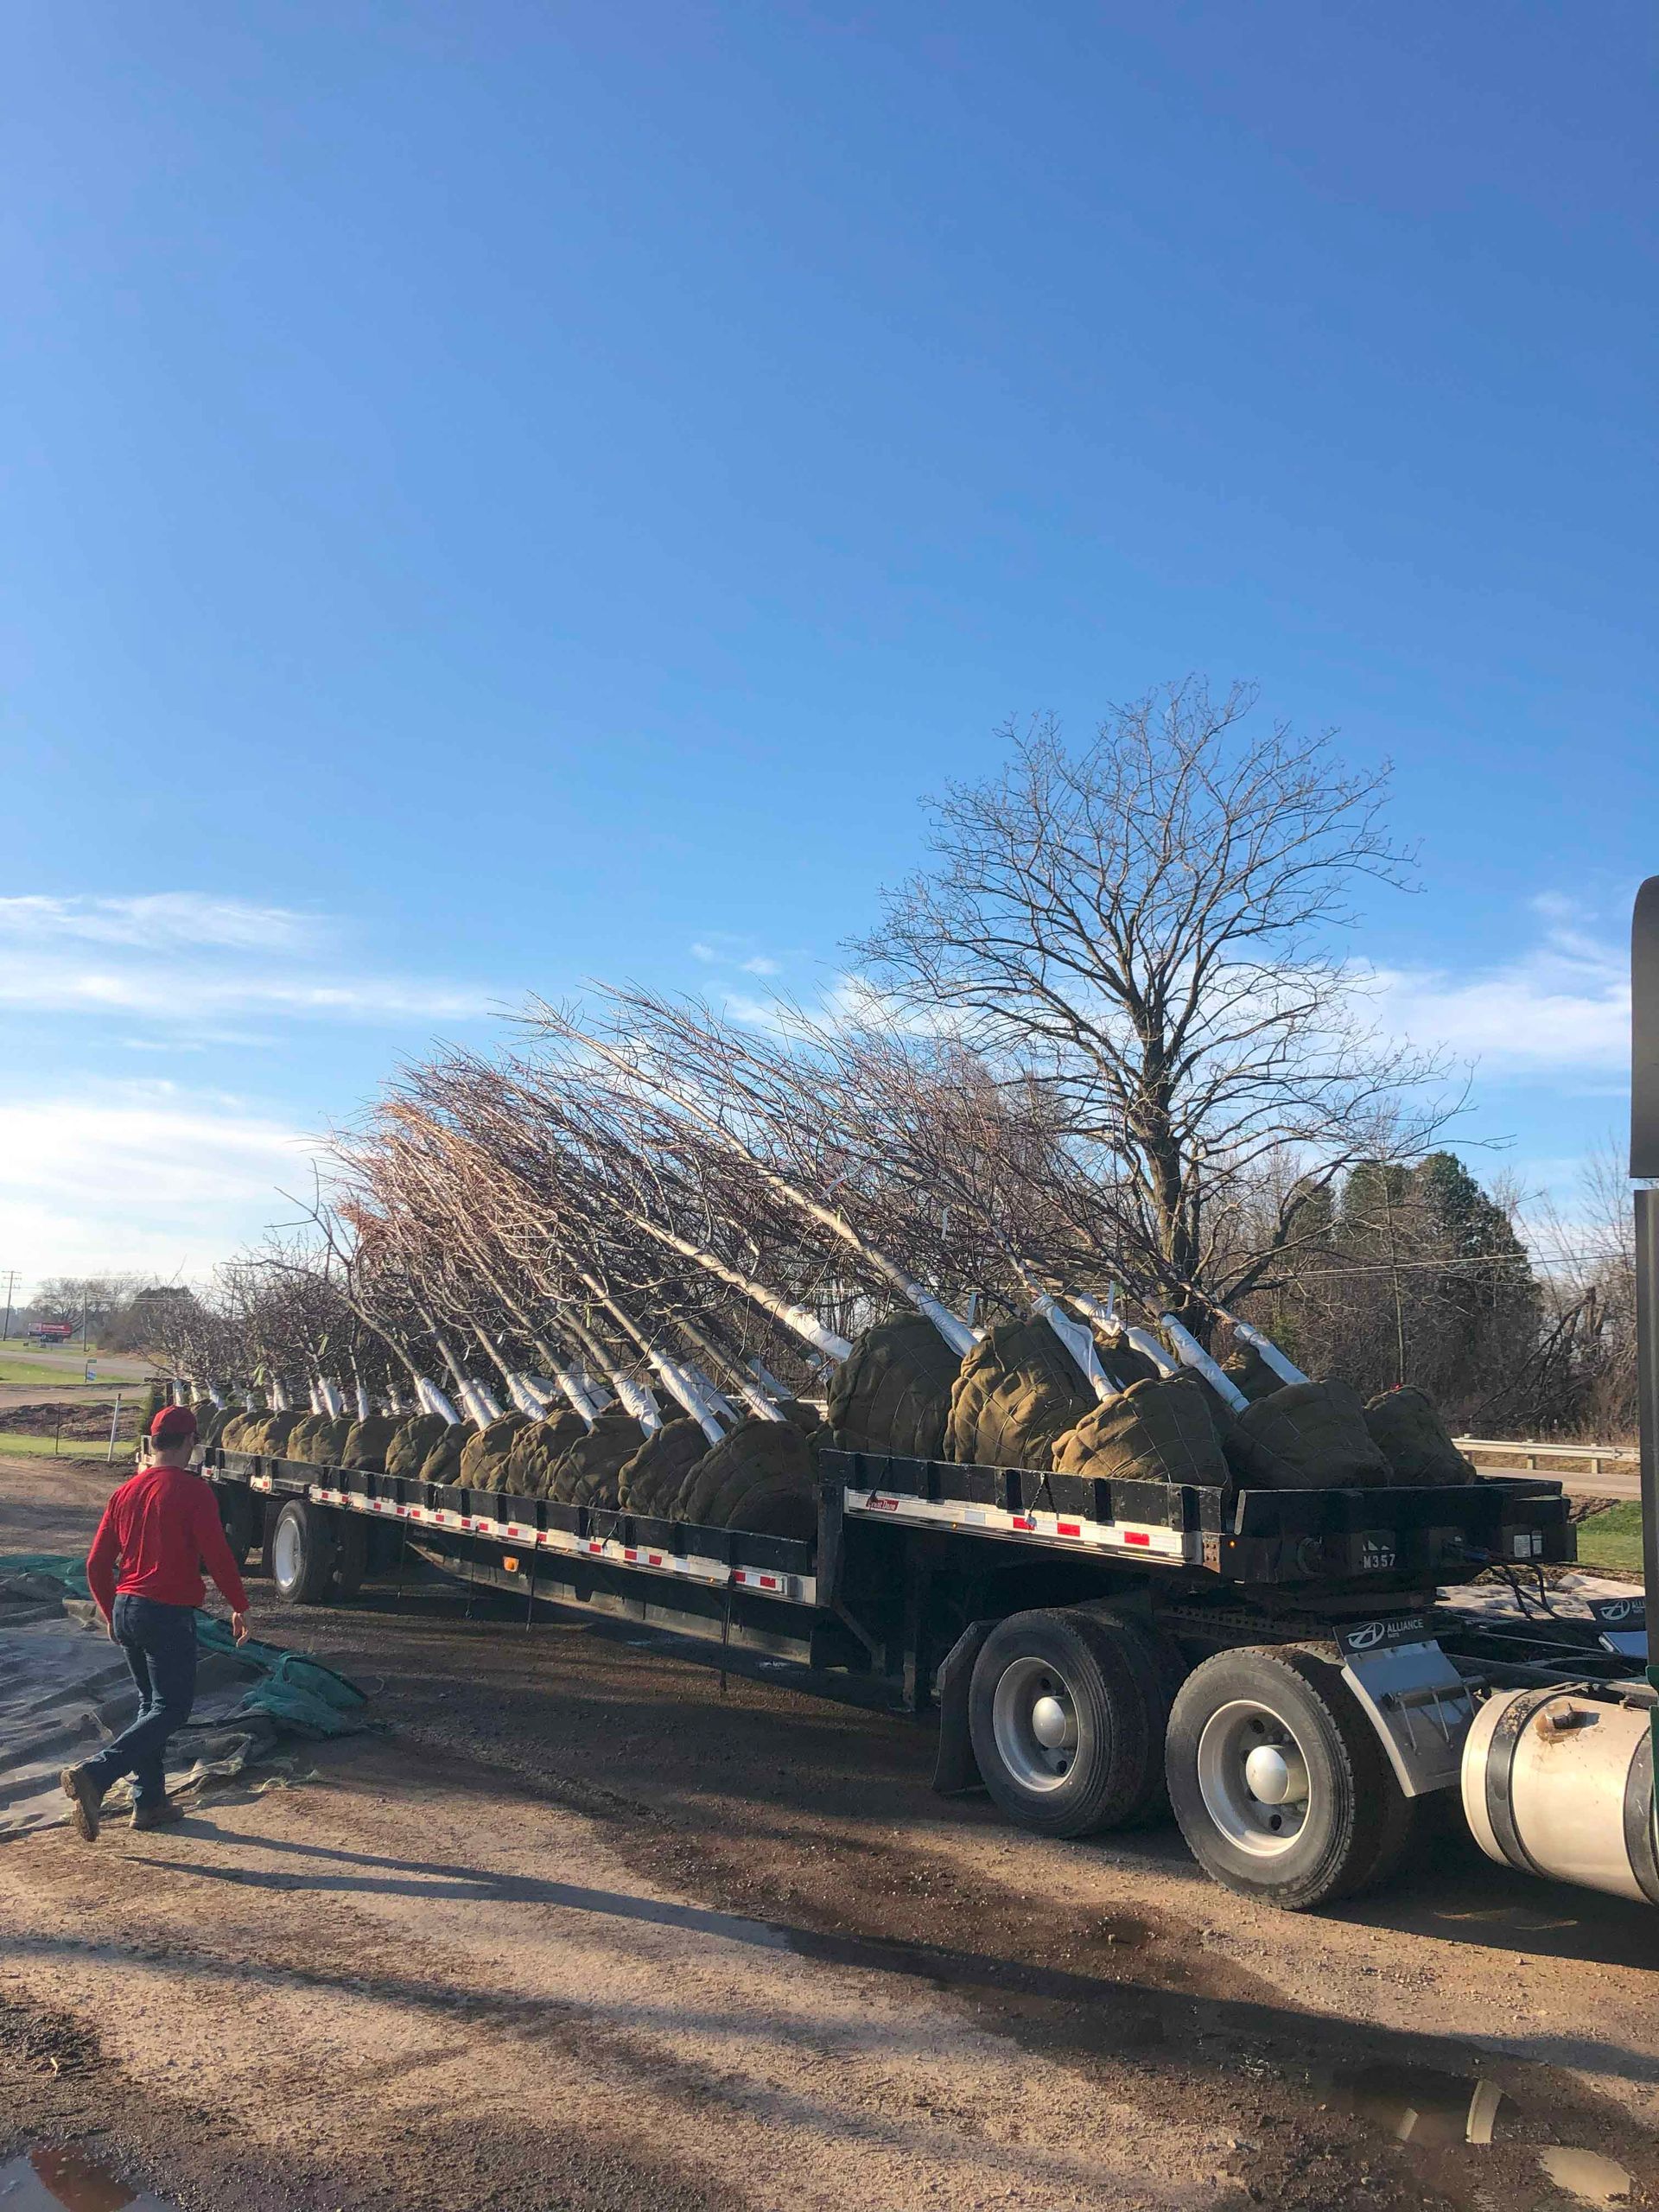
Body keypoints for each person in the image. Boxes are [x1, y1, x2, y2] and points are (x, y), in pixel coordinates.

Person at [60, 1405, 251, 1840]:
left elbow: (95, 1564)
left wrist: (110, 1614)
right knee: (172, 1708)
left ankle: (149, 1803)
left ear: (153, 1442)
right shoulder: (192, 1490)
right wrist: (239, 1604)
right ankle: (96, 1773)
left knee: (151, 1707)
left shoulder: (125, 1491)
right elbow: (218, 1555)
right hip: (165, 1611)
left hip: (127, 1606)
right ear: (189, 1442)